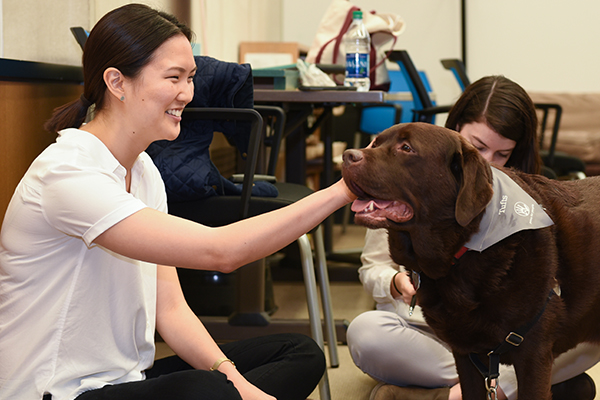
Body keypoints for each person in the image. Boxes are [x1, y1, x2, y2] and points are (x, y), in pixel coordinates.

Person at [0, 4, 357, 400]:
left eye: (190, 78)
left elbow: (169, 309)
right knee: (205, 390)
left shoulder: (145, 170)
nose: (187, 93)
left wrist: (238, 383)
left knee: (298, 352)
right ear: (117, 82)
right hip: (58, 392)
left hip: (126, 382)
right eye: (174, 77)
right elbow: (221, 252)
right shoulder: (67, 173)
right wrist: (344, 190)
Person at [346, 75, 600, 400]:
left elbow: (546, 325)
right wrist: (395, 283)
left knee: (580, 341)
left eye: (503, 154)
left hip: (512, 337)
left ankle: (446, 395)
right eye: (478, 147)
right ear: (454, 131)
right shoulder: (405, 181)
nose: (487, 164)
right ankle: (505, 389)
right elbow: (371, 269)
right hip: (427, 328)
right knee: (368, 333)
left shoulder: (529, 204)